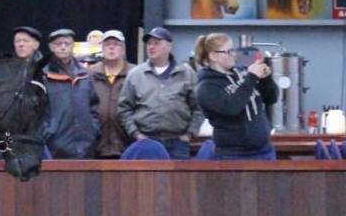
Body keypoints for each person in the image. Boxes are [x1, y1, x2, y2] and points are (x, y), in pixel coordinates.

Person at [117, 27, 204, 160]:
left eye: (156, 43)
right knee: (146, 180)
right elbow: (124, 108)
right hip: (146, 142)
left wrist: (189, 134)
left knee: (177, 180)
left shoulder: (187, 73)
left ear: (169, 46)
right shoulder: (135, 74)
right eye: (149, 43)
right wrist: (136, 134)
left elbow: (199, 107)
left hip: (178, 143)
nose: (151, 47)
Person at [193, 32, 278, 160]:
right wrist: (252, 77)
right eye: (229, 51)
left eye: (233, 50)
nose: (234, 55)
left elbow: (271, 98)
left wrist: (266, 79)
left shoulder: (242, 74)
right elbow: (232, 107)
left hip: (264, 150)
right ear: (213, 56)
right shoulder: (206, 87)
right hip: (234, 155)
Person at [42, 28, 100, 159]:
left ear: (73, 45)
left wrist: (93, 129)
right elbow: (37, 112)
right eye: (58, 44)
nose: (63, 47)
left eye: (67, 43)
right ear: (51, 47)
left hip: (86, 147)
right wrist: (48, 133)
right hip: (55, 148)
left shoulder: (85, 75)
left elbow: (94, 107)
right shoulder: (43, 76)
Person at [88, 30, 133, 158]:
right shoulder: (89, 74)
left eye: (116, 44)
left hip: (127, 144)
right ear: (102, 49)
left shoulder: (135, 74)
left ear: (123, 48)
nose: (111, 47)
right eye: (107, 44)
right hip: (95, 145)